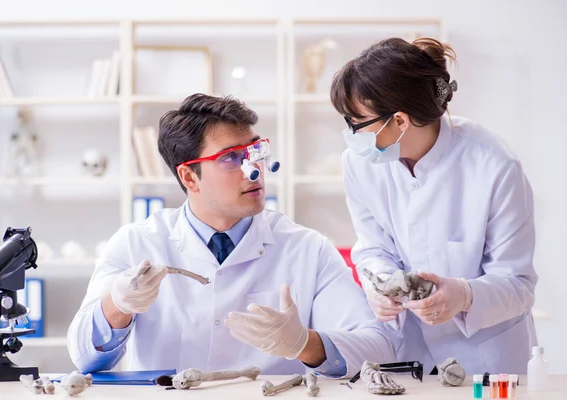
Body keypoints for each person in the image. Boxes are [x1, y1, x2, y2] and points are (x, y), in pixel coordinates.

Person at [67, 93, 399, 377]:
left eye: (255, 150)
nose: (253, 169)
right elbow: (82, 356)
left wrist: (305, 344)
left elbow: (380, 347)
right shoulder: (136, 243)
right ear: (189, 177)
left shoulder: (307, 248)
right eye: (230, 158)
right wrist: (117, 305)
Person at [330, 37, 537, 375]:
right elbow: (372, 247)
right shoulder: (359, 164)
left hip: (487, 361)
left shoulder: (494, 165)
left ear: (399, 121)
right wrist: (378, 285)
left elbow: (518, 284)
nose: (351, 133)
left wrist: (465, 295)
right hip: (409, 357)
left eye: (357, 122)